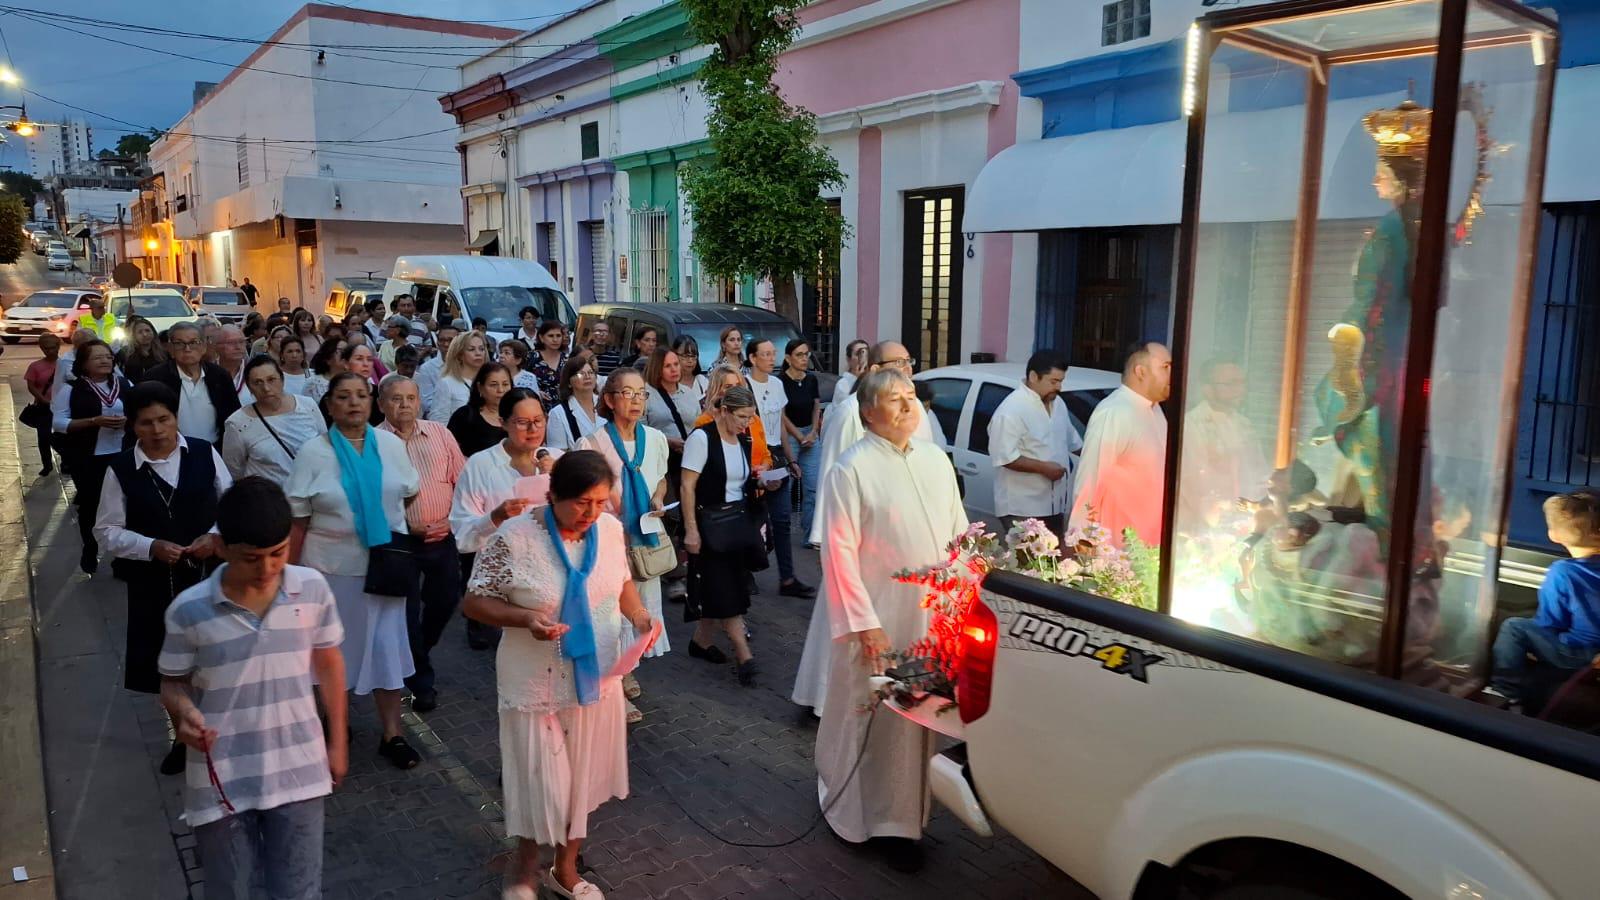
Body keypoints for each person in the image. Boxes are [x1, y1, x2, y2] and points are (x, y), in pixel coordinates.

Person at [463, 450, 655, 900]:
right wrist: (523, 617)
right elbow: (474, 601)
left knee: (583, 781)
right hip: (536, 680)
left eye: (601, 501)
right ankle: (523, 869)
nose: (592, 513)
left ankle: (564, 869)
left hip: (595, 677)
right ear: (553, 496)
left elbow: (622, 582)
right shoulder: (514, 536)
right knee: (540, 784)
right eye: (581, 503)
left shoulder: (608, 529)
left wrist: (641, 616)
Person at [158, 477, 346, 900]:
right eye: (251, 559)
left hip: (299, 771)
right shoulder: (188, 611)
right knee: (229, 892)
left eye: (277, 554)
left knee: (299, 892)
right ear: (221, 546)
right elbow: (172, 684)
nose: (266, 570)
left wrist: (337, 742)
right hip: (219, 782)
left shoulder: (312, 588)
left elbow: (330, 663)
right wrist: (183, 715)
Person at [815, 369, 967, 872]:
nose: (907, 406)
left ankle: (907, 818)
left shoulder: (934, 460)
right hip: (879, 619)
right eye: (893, 400)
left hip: (930, 620)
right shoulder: (851, 469)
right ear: (868, 413)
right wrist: (865, 623)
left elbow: (959, 534)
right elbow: (838, 554)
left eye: (910, 397)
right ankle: (863, 815)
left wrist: (963, 595)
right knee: (876, 719)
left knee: (920, 720)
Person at [285, 372, 423, 769]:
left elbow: (409, 491)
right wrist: (288, 575)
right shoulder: (314, 451)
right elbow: (299, 518)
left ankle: (392, 734)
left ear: (372, 402)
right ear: (329, 406)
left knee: (387, 650)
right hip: (329, 569)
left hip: (385, 567)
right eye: (343, 396)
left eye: (361, 395)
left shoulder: (392, 445)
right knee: (331, 652)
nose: (353, 403)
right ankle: (334, 724)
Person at [95, 382, 232, 774]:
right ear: (132, 426)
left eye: (163, 420)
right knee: (170, 667)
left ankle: (223, 733)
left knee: (217, 658)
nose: (156, 431)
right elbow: (106, 531)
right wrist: (150, 546)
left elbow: (231, 502)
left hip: (210, 577)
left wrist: (216, 535)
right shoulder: (120, 470)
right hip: (153, 586)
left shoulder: (204, 453)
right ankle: (184, 737)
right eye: (145, 423)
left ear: (176, 418)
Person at [793, 341, 931, 715]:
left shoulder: (917, 413)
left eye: (908, 361)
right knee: (843, 627)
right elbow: (832, 470)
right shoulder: (851, 413)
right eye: (896, 362)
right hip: (860, 543)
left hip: (907, 552)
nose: (905, 368)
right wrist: (824, 538)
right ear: (873, 368)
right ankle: (825, 697)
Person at [579, 368, 671, 720]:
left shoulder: (654, 439)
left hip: (643, 539)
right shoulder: (593, 444)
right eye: (627, 393)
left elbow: (659, 477)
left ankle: (626, 669)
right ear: (609, 400)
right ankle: (616, 690)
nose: (636, 401)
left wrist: (659, 499)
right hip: (609, 541)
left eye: (641, 393)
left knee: (638, 612)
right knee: (611, 616)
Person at [378, 376, 466, 714]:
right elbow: (371, 497)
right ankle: (421, 681)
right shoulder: (374, 441)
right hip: (399, 541)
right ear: (383, 404)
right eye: (396, 399)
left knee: (445, 601)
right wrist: (404, 524)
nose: (405, 405)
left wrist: (450, 520)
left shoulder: (440, 434)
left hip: (442, 536)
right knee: (407, 613)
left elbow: (463, 480)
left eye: (411, 398)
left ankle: (418, 652)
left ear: (420, 402)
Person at [451, 388, 556, 652]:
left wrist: (558, 480)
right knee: (512, 654)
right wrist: (495, 517)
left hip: (551, 577)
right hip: (502, 582)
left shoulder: (556, 459)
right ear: (503, 422)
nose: (533, 429)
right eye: (522, 422)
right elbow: (462, 535)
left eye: (539, 420)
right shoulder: (481, 465)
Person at [681, 386, 766, 685]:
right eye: (742, 416)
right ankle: (745, 655)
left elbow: (740, 482)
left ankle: (701, 641)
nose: (747, 423)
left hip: (736, 525)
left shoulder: (743, 439)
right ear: (725, 410)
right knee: (726, 590)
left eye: (751, 417)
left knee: (724, 588)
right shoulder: (702, 438)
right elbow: (687, 486)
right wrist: (691, 529)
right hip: (711, 526)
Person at [1489, 492, 1600, 704]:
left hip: (1578, 654)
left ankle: (1504, 693)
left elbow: (1550, 623)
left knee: (1514, 627)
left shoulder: (1563, 572)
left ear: (1554, 535)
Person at [1069, 341, 1171, 547]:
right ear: (1140, 371)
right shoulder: (1115, 411)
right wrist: (1082, 538)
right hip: (1120, 545)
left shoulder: (1156, 411)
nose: (1172, 374)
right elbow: (1092, 477)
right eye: (1165, 367)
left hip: (1153, 542)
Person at [54, 339, 133, 574]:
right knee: (92, 506)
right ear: (84, 363)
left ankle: (123, 557)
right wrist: (93, 422)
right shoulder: (71, 388)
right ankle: (91, 546)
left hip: (122, 454)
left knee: (125, 505)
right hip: (89, 457)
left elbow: (140, 410)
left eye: (108, 356)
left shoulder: (124, 383)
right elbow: (58, 423)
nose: (105, 360)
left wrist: (129, 422)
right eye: (97, 357)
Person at [745, 338, 811, 598]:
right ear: (753, 358)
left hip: (777, 455)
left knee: (782, 520)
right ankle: (745, 574)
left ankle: (787, 577)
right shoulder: (744, 384)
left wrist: (790, 458)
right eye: (766, 354)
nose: (771, 359)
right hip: (754, 455)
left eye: (773, 354)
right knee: (751, 520)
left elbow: (780, 423)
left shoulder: (777, 383)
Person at [988, 351, 1081, 536]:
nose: (1059, 387)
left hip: (1056, 505)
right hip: (1022, 508)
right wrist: (1044, 469)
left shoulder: (1058, 404)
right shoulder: (1011, 409)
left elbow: (1075, 443)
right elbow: (1004, 457)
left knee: (1054, 562)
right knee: (1031, 562)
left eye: (1061, 381)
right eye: (1053, 382)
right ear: (1033, 377)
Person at [1180, 359, 1268, 526]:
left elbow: (1258, 470)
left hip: (1245, 516)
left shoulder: (1244, 423)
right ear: (1207, 389)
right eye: (1231, 384)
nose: (1240, 390)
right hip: (1209, 519)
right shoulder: (1192, 424)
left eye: (1242, 383)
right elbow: (1192, 480)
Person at [221, 355, 327, 483]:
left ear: (282, 379)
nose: (266, 388)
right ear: (249, 387)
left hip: (310, 491)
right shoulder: (237, 423)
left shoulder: (308, 406)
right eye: (257, 382)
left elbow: (324, 446)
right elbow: (234, 470)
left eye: (271, 380)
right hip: (269, 498)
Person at [141, 322, 242, 446]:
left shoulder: (219, 376)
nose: (187, 349)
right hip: (172, 449)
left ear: (203, 347)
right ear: (171, 349)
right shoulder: (155, 378)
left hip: (215, 449)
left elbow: (234, 415)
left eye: (193, 343)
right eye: (179, 344)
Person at [780, 339, 824, 541]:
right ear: (788, 358)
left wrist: (814, 431)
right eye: (799, 354)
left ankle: (810, 535)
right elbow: (781, 414)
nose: (804, 358)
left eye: (806, 354)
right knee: (786, 487)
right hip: (791, 435)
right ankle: (782, 534)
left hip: (810, 434)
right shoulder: (780, 381)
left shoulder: (811, 379)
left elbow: (816, 406)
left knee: (813, 487)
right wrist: (798, 436)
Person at [447, 362, 512, 459]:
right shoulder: (464, 416)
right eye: (493, 385)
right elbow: (448, 452)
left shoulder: (518, 414)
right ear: (480, 387)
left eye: (505, 384)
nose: (501, 390)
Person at [426, 330, 488, 425]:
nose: (478, 353)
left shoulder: (490, 382)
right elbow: (438, 423)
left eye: (481, 349)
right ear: (459, 354)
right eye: (471, 349)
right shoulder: (447, 383)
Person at [545, 355, 604, 451]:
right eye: (581, 374)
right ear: (569, 382)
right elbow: (557, 454)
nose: (587, 377)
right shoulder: (558, 413)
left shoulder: (608, 405)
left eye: (590, 372)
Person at [23, 332, 60, 476]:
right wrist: (42, 399)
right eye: (46, 348)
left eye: (52, 348)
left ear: (58, 346)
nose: (49, 351)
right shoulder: (35, 366)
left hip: (61, 407)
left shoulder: (65, 364)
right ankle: (47, 464)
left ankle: (66, 462)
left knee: (62, 435)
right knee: (43, 437)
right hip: (44, 406)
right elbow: (31, 385)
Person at [416, 320, 462, 416]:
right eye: (442, 340)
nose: (446, 344)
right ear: (437, 342)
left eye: (450, 340)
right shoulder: (427, 369)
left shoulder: (468, 365)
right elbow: (426, 403)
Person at [115, 315, 168, 383]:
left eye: (147, 330)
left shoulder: (163, 352)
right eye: (140, 332)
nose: (145, 334)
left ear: (153, 332)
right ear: (133, 335)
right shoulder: (125, 353)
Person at [529, 320, 569, 410]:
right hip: (535, 406)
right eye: (551, 336)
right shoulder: (531, 357)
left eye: (558, 336)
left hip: (562, 408)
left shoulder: (567, 360)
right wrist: (536, 392)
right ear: (541, 338)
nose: (555, 340)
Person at [214, 326, 253, 405]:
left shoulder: (254, 371)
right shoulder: (206, 373)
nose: (238, 347)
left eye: (242, 342)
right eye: (231, 342)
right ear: (216, 346)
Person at [302, 338, 346, 404]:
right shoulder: (313, 384)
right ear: (328, 357)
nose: (346, 355)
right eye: (341, 351)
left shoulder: (355, 380)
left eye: (348, 351)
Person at [833, 339, 869, 405]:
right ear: (849, 359)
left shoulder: (872, 379)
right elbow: (850, 406)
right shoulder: (842, 384)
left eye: (865, 354)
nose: (863, 358)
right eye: (858, 354)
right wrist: (859, 379)